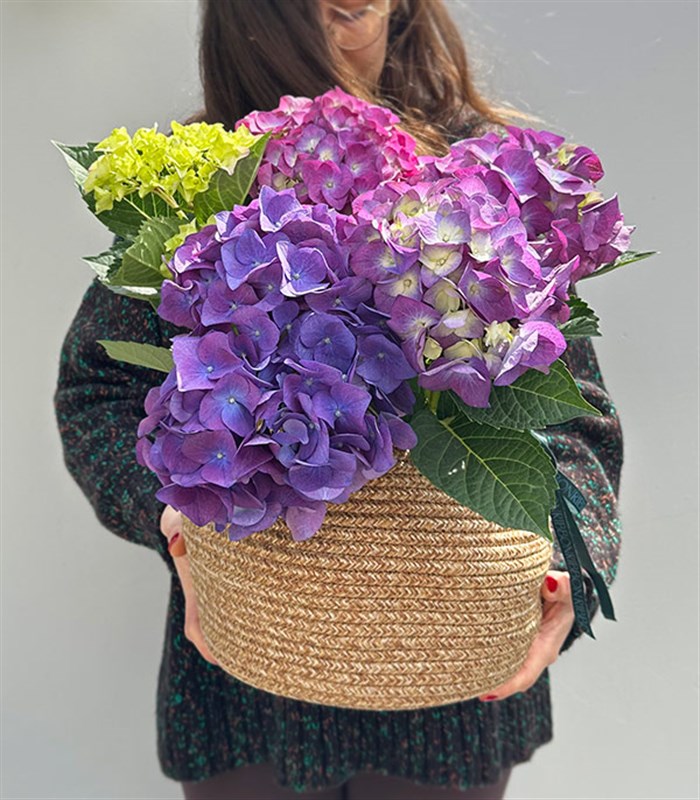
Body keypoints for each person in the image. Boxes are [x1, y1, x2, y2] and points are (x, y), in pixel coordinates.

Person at [53, 0, 623, 798]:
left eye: (358, 6)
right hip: (245, 687)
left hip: (451, 694)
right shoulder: (197, 188)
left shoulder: (487, 178)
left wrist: (570, 557)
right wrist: (174, 509)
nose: (340, 19)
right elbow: (98, 390)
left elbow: (573, 413)